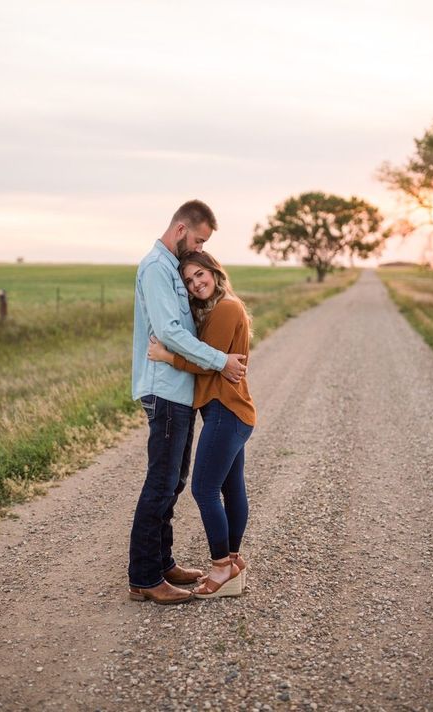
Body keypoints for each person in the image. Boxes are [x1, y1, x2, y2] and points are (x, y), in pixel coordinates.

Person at [128, 200, 248, 605]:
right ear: (182, 229)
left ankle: (161, 564)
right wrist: (221, 361)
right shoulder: (158, 268)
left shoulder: (171, 269)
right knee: (161, 483)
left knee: (173, 483)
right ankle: (145, 577)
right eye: (198, 239)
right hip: (165, 391)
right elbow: (171, 332)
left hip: (178, 392)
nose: (198, 247)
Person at [148, 251, 256, 599]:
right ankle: (233, 562)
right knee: (230, 487)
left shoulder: (226, 307)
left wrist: (168, 356)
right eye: (189, 281)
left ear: (214, 270)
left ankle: (222, 565)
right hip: (231, 412)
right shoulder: (221, 307)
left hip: (225, 411)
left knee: (203, 489)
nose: (196, 284)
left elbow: (209, 363)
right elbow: (214, 360)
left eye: (200, 275)